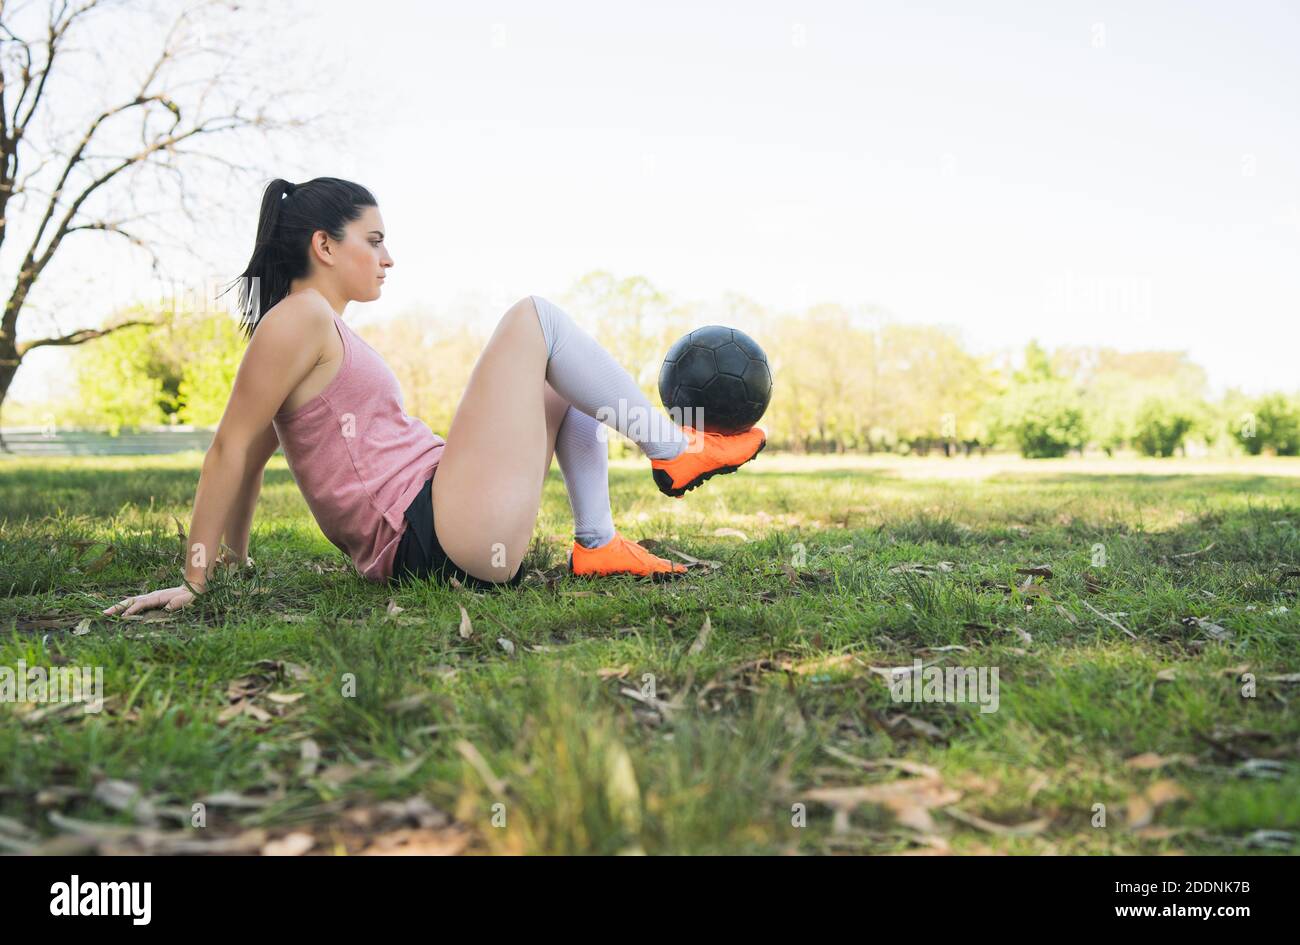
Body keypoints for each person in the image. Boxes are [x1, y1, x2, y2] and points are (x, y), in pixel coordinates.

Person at [103, 176, 765, 617]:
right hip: (431, 535)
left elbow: (252, 459)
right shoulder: (298, 319)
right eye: (375, 240)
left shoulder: (318, 328)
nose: (388, 258)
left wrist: (233, 562)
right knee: (535, 317)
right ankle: (672, 447)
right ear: (324, 245)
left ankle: (597, 542)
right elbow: (230, 449)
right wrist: (196, 577)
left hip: (447, 521)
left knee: (555, 375)